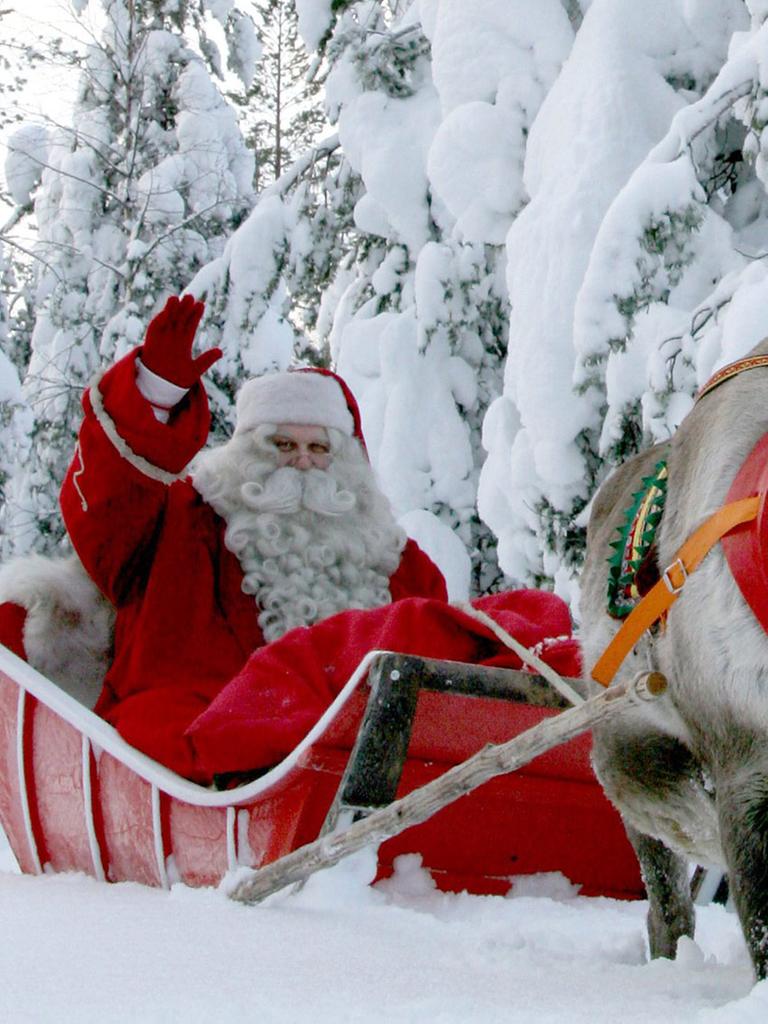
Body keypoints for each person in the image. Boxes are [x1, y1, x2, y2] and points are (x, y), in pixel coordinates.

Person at [56, 294, 448, 782]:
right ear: (246, 452)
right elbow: (108, 514)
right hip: (205, 726)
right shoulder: (185, 521)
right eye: (282, 445)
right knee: (170, 726)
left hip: (360, 743)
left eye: (318, 448)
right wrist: (153, 396)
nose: (302, 461)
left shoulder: (391, 557)